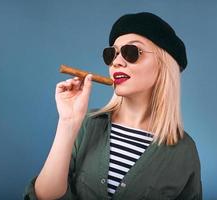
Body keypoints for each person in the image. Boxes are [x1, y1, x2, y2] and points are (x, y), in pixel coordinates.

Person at [24, 12, 202, 200]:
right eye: (112, 53)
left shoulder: (185, 151)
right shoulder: (86, 125)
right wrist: (67, 123)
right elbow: (44, 197)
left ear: (163, 65)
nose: (116, 62)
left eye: (131, 52)